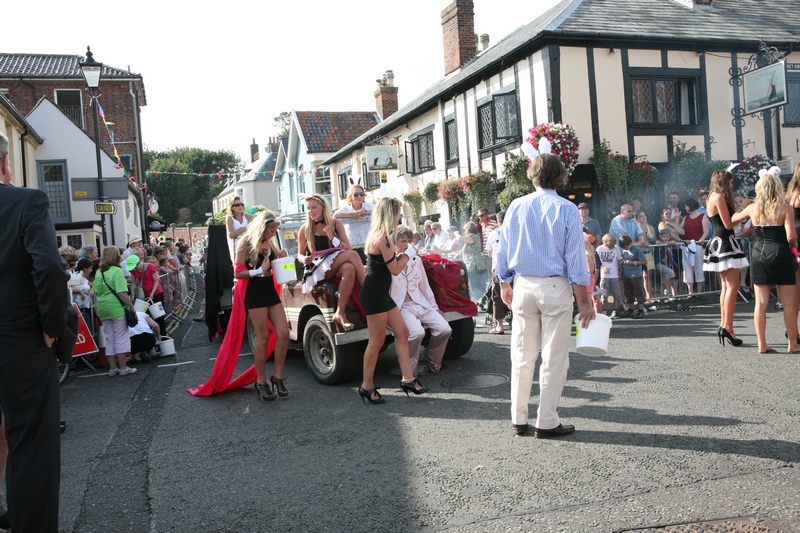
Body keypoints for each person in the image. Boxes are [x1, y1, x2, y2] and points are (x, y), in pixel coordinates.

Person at [496, 153, 595, 438]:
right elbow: (576, 260)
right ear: (561, 177)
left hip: (523, 284)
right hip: (554, 286)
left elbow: (502, 249)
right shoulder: (566, 209)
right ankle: (547, 420)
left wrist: (504, 282)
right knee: (553, 356)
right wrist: (585, 301)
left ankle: (518, 417)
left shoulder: (516, 205)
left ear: (533, 176)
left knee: (522, 355)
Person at [0, 131, 70, 532]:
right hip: (19, 341)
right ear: (6, 163)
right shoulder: (25, 201)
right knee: (31, 449)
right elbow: (48, 267)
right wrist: (51, 328)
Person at [359, 197, 428, 404]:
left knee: (402, 332)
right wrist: (409, 253)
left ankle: (408, 378)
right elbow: (396, 270)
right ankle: (366, 386)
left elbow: (390, 265)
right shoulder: (383, 239)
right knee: (376, 342)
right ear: (392, 214)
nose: (399, 216)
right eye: (398, 213)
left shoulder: (380, 237)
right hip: (375, 295)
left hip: (380, 294)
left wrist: (403, 255)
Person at [733, 170, 799, 353]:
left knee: (760, 303)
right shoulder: (785, 208)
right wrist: (793, 245)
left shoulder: (752, 208)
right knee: (789, 303)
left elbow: (732, 220)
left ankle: (762, 344)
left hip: (759, 253)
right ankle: (792, 343)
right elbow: (791, 236)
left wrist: (743, 206)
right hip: (780, 252)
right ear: (778, 188)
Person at [234, 211, 291, 401]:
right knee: (263, 337)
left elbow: (273, 263)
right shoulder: (246, 242)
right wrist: (259, 270)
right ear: (263, 228)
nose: (274, 233)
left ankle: (278, 376)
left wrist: (281, 256)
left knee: (283, 333)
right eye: (272, 230)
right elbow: (238, 272)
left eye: (276, 230)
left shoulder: (269, 242)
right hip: (255, 292)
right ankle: (261, 381)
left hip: (269, 290)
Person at [298, 194, 366, 329]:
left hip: (333, 263)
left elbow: (346, 246)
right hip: (316, 267)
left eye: (313, 207)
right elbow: (300, 254)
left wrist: (332, 237)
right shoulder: (305, 228)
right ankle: (368, 290)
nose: (310, 211)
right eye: (308, 208)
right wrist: (304, 259)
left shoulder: (336, 223)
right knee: (352, 255)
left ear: (323, 207)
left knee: (349, 268)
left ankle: (340, 312)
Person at [389, 226, 451, 375]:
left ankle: (432, 355)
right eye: (403, 241)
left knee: (445, 329)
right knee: (417, 333)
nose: (407, 245)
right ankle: (409, 367)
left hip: (421, 303)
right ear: (394, 242)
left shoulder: (416, 260)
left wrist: (434, 307)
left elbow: (424, 285)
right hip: (401, 307)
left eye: (409, 241)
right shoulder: (389, 262)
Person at [703, 170, 749, 346]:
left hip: (720, 241)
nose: (732, 184)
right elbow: (729, 223)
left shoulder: (712, 196)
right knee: (732, 286)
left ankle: (725, 325)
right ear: (724, 181)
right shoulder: (719, 197)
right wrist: (744, 208)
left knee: (726, 287)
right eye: (730, 182)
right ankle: (728, 326)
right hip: (724, 241)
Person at [94, 246, 138, 375]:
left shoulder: (99, 272)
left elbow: (96, 290)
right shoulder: (117, 271)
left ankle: (112, 368)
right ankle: (123, 367)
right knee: (121, 337)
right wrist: (131, 306)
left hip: (103, 308)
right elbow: (122, 293)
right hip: (116, 308)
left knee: (109, 338)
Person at [680, 198, 710, 296]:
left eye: (686, 206)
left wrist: (701, 239)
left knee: (699, 268)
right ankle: (690, 292)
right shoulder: (686, 217)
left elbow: (706, 231)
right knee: (687, 268)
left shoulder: (703, 216)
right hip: (687, 246)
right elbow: (681, 229)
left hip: (698, 246)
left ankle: (699, 291)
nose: (685, 208)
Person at [486, 211, 508, 334]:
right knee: (516, 296)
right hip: (514, 269)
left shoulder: (494, 233)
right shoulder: (515, 232)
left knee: (497, 296)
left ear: (498, 222)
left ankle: (499, 325)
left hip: (498, 268)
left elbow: (490, 253)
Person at [457, 221, 490, 302]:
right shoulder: (472, 238)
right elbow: (463, 250)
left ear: (468, 229)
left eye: (464, 230)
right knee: (477, 286)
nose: (464, 232)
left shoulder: (473, 236)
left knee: (476, 287)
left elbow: (459, 239)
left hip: (475, 266)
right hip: (475, 265)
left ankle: (480, 304)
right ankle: (480, 303)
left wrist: (456, 233)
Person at [619, 235, 648, 318]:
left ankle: (641, 310)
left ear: (630, 243)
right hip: (626, 275)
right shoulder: (623, 250)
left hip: (636, 275)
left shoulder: (637, 250)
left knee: (638, 293)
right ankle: (630, 309)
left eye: (626, 247)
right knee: (628, 293)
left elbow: (644, 261)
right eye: (623, 247)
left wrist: (633, 263)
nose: (625, 249)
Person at [596, 234, 624, 318]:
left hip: (614, 275)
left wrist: (620, 271)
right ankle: (604, 310)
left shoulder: (616, 248)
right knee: (604, 294)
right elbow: (597, 262)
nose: (612, 247)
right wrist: (603, 267)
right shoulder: (600, 249)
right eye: (610, 246)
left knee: (616, 293)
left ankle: (615, 310)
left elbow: (619, 260)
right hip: (604, 276)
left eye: (613, 245)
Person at [785, 163, 800, 324]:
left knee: (796, 289)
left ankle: (793, 330)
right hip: (798, 239)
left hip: (795, 240)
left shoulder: (791, 194)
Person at [226, 196, 254, 261]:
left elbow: (258, 221)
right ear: (232, 207)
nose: (240, 206)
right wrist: (246, 228)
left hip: (249, 249)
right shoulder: (230, 218)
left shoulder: (247, 217)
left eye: (242, 204)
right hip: (236, 250)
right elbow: (231, 235)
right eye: (237, 205)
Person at [636, 210, 657, 298]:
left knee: (648, 275)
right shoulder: (636, 227)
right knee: (639, 276)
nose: (643, 217)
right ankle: (639, 296)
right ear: (637, 218)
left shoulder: (650, 227)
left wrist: (649, 237)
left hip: (648, 252)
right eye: (641, 216)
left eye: (644, 215)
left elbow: (654, 239)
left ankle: (649, 296)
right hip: (639, 253)